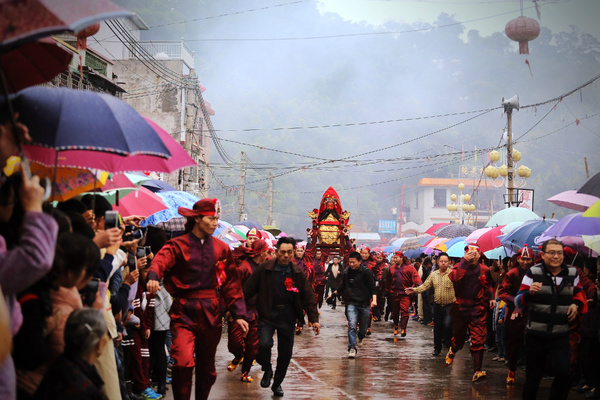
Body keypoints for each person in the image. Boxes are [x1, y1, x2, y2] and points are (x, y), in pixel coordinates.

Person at [146, 198, 249, 400]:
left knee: (207, 368)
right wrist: (152, 276)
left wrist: (239, 314)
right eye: (211, 218)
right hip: (183, 310)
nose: (215, 223)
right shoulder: (176, 245)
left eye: (216, 219)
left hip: (211, 312)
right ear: (197, 219)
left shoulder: (221, 249)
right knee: (182, 361)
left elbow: (230, 284)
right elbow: (160, 261)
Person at [243, 237, 320, 397]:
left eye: (289, 252)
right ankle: (267, 369)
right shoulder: (264, 269)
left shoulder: (297, 272)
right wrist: (236, 310)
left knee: (285, 354)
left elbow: (308, 296)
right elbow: (247, 290)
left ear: (293, 253)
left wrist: (314, 319)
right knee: (263, 345)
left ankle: (277, 383)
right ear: (276, 252)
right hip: (267, 313)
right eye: (283, 252)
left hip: (287, 315)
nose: (286, 255)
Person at [516, 239, 587, 400]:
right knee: (533, 380)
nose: (556, 256)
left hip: (561, 334)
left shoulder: (572, 273)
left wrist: (576, 304)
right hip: (536, 334)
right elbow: (518, 301)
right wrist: (529, 293)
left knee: (565, 372)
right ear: (543, 255)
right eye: (552, 253)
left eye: (559, 253)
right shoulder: (533, 273)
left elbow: (579, 293)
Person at [34, 308, 109, 400]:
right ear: (99, 343)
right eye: (106, 334)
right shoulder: (79, 388)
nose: (107, 339)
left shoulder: (62, 365)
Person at [445, 244, 495, 382]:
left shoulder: (484, 269)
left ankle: (477, 371)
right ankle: (453, 349)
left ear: (480, 255)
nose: (473, 255)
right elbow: (454, 278)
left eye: (475, 253)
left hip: (477, 308)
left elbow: (489, 284)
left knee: (479, 339)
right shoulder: (458, 267)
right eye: (470, 253)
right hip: (461, 307)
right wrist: (464, 262)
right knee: (459, 337)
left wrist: (491, 297)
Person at [226, 239, 270, 383]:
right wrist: (230, 309)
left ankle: (245, 372)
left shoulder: (264, 267)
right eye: (266, 252)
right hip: (239, 310)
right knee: (235, 343)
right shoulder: (243, 268)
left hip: (256, 312)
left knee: (252, 345)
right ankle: (238, 356)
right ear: (261, 253)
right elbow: (232, 289)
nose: (268, 254)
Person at [328, 251, 376, 359]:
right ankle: (352, 348)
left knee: (363, 328)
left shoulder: (366, 272)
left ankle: (360, 336)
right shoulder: (346, 272)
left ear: (359, 262)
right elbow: (343, 286)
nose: (352, 264)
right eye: (350, 262)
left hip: (364, 303)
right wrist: (334, 294)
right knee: (352, 325)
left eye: (354, 262)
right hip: (352, 303)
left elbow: (373, 287)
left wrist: (374, 300)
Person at [497, 245, 534, 385]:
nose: (525, 262)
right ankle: (512, 370)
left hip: (532, 312)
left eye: (528, 259)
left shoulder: (536, 273)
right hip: (515, 313)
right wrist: (517, 301)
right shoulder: (511, 274)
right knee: (513, 343)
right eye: (522, 259)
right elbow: (503, 292)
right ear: (518, 259)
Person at [406, 252, 455, 356]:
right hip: (438, 305)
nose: (443, 263)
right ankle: (437, 348)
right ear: (438, 262)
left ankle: (449, 345)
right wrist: (414, 290)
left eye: (445, 262)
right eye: (441, 261)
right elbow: (425, 286)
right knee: (437, 328)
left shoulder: (453, 274)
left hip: (450, 306)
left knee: (448, 326)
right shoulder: (433, 275)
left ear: (449, 262)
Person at [383, 251, 421, 337]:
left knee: (404, 311)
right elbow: (388, 280)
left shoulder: (409, 268)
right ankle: (396, 325)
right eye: (394, 258)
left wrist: (419, 285)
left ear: (401, 258)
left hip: (405, 293)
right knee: (395, 312)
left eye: (396, 258)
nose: (394, 259)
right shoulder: (391, 268)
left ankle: (403, 328)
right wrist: (386, 291)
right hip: (394, 293)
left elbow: (416, 277)